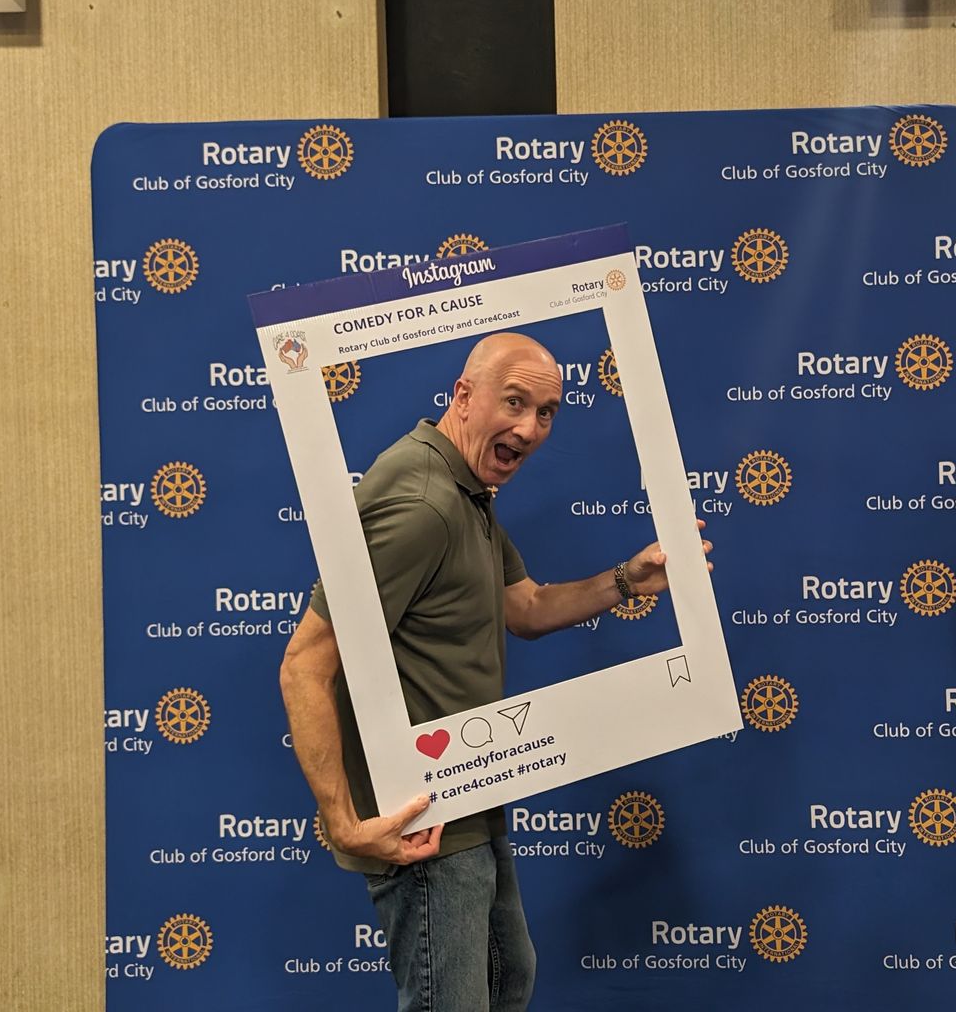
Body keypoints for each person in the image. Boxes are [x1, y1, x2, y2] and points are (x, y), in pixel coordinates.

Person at [280, 332, 709, 1012]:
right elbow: (305, 664)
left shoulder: (465, 488)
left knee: (508, 980)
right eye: (514, 403)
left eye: (546, 412)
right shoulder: (424, 502)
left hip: (469, 803)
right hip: (421, 824)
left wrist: (629, 580)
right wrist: (344, 821)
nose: (530, 429)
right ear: (463, 396)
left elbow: (527, 607)